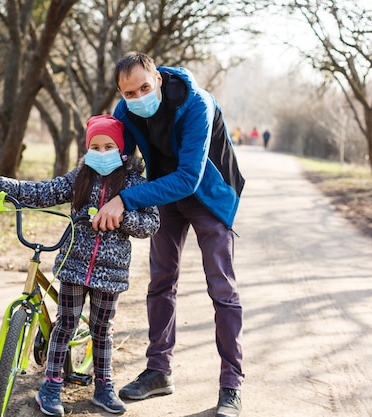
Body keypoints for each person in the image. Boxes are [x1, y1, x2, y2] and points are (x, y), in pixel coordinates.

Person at [90, 51, 246, 417]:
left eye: (145, 86)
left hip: (208, 194)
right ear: (120, 92)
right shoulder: (125, 111)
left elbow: (189, 177)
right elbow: (116, 160)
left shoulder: (197, 104)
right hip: (162, 193)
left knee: (222, 290)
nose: (138, 96)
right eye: (129, 93)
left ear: (158, 77)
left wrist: (125, 200)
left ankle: (231, 386)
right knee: (160, 282)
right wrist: (86, 187)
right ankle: (158, 371)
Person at [0, 115, 160, 416]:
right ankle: (50, 385)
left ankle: (103, 385)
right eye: (95, 147)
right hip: (74, 265)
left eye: (108, 146)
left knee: (102, 329)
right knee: (65, 325)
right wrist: (3, 187)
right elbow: (44, 192)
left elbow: (151, 223)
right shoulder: (79, 177)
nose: (101, 153)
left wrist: (123, 218)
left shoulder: (135, 184)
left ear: (122, 149)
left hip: (110, 272)